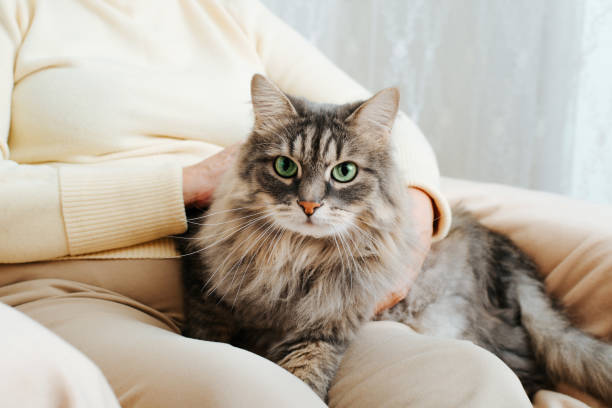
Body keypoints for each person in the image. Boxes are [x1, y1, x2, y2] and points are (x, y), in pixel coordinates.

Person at [0, 0, 533, 406]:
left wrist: (414, 220)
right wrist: (186, 182)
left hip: (278, 293)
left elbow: (391, 130)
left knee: (471, 381)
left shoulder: (227, 11)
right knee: (263, 397)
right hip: (83, 291)